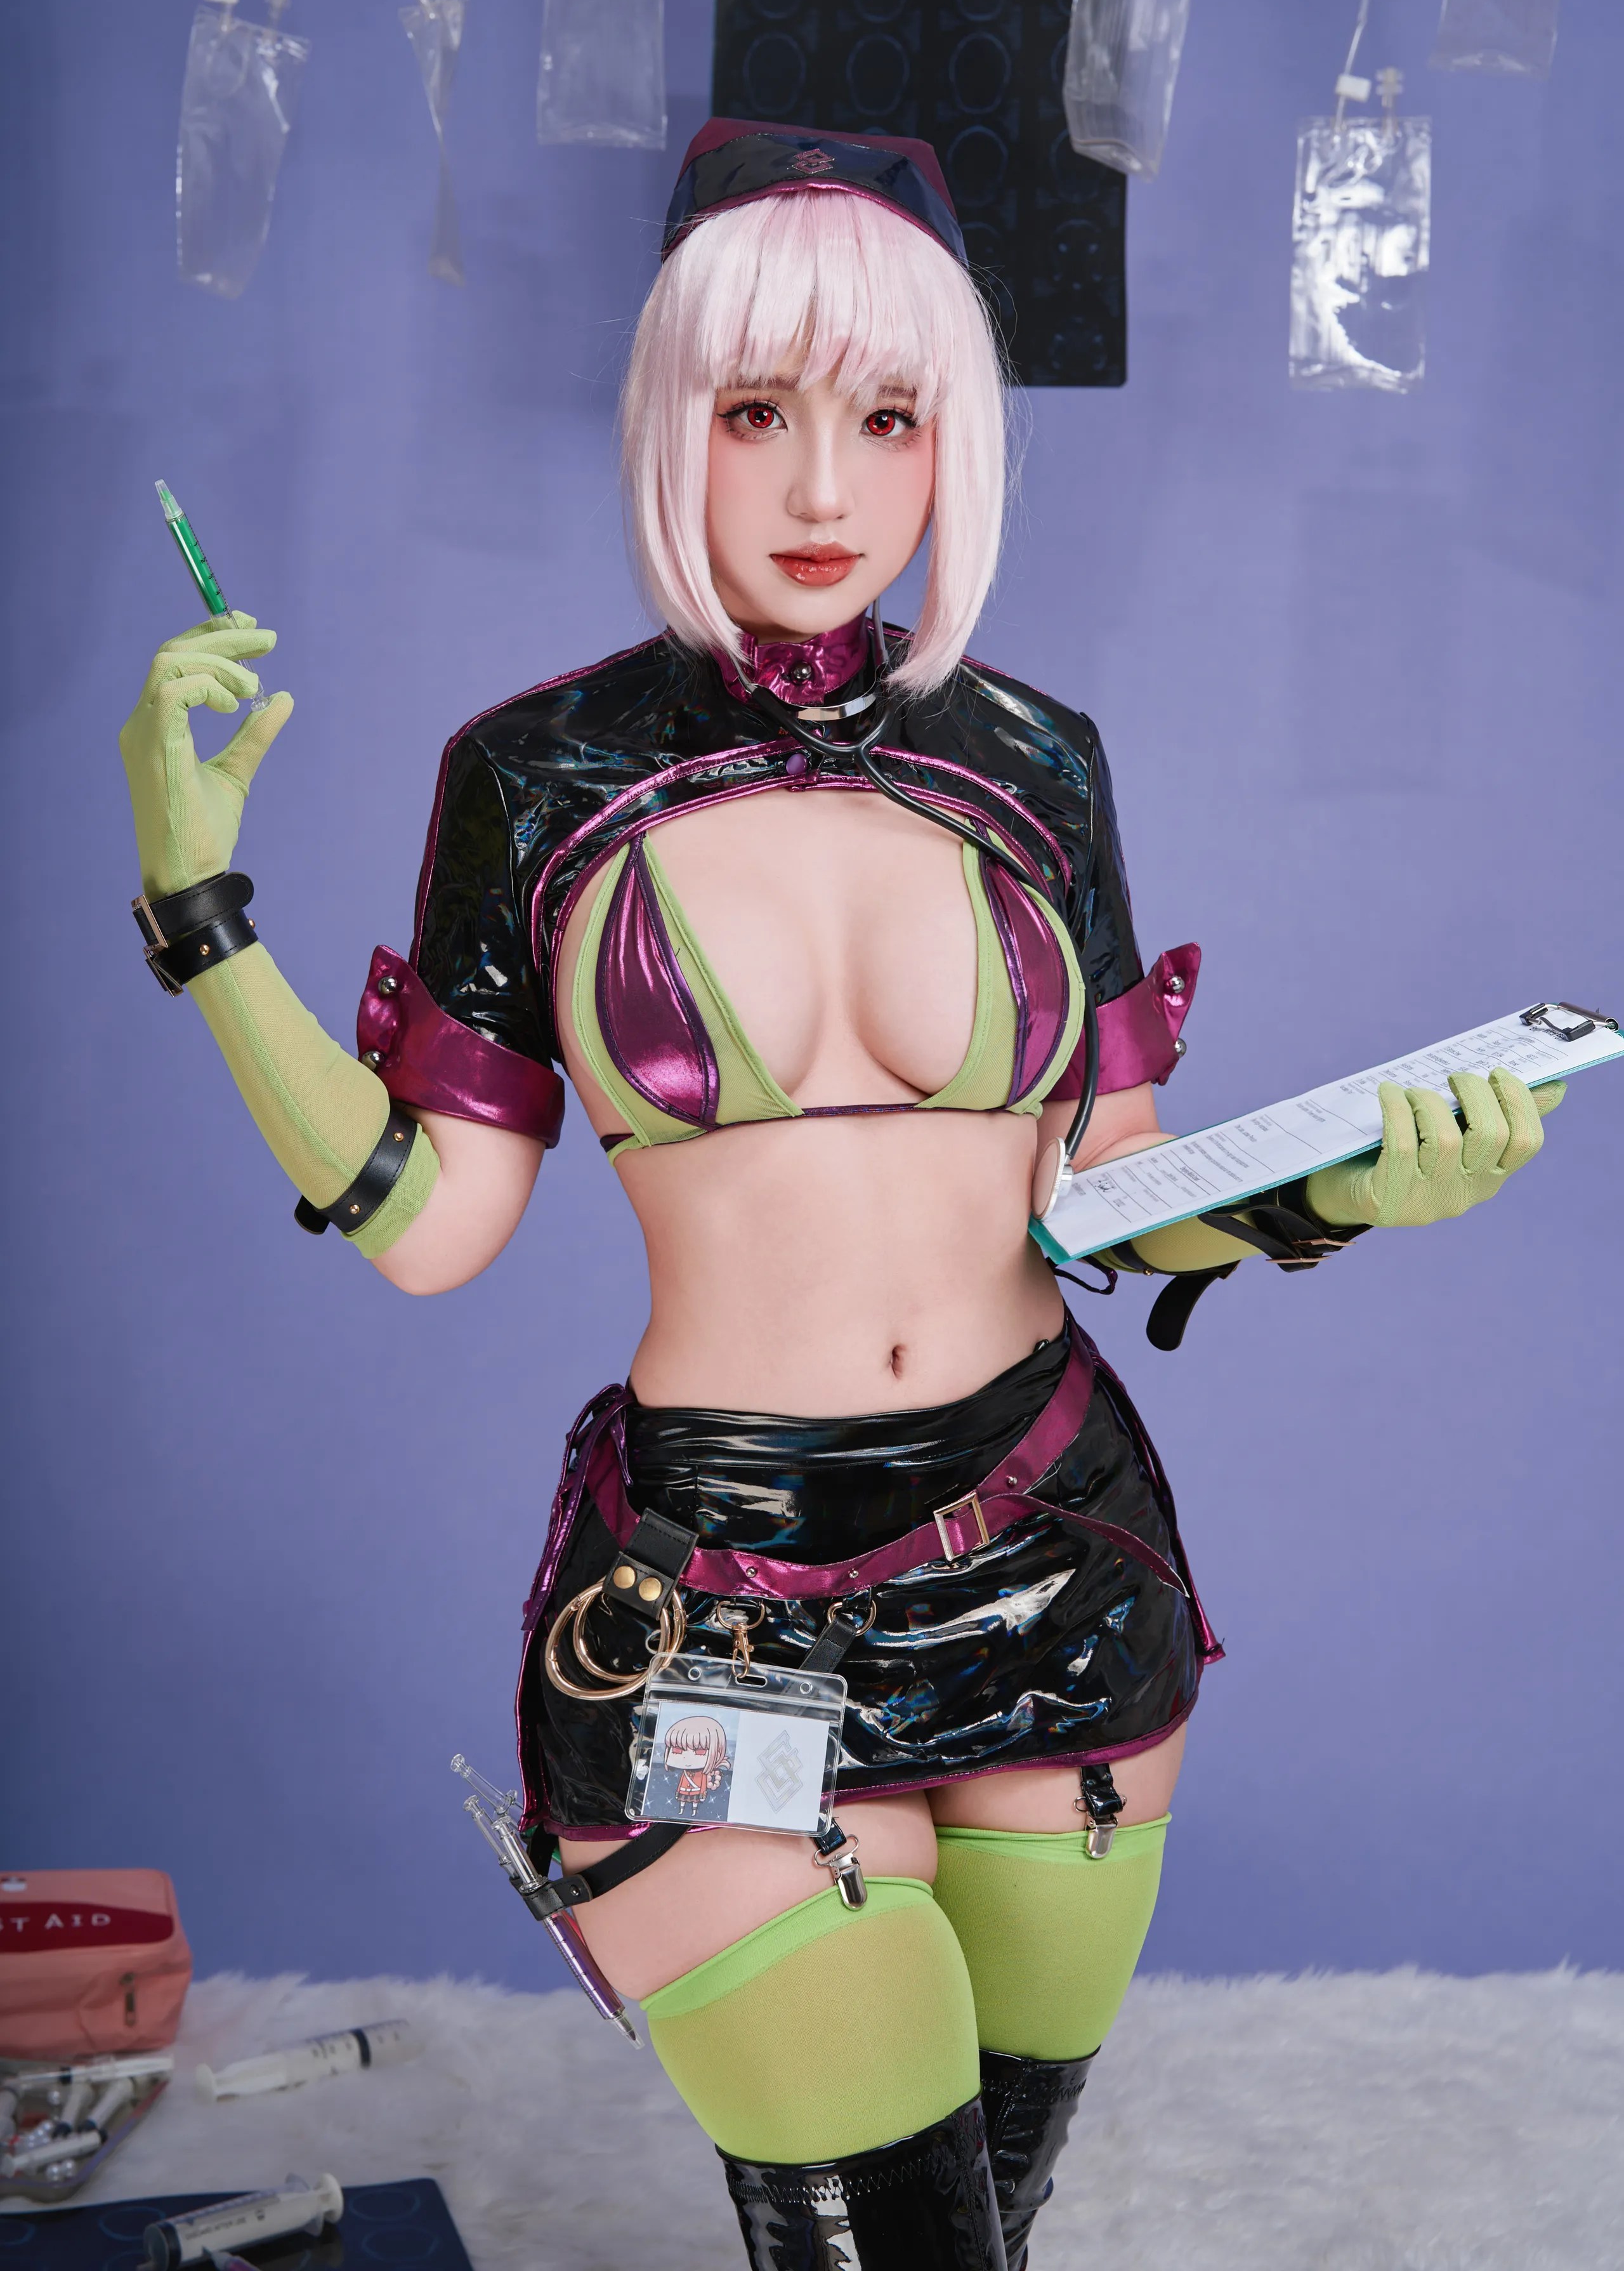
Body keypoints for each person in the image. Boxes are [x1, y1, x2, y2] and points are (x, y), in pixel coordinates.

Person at [119, 122, 1563, 2270]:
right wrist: (202, 910)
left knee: (988, 2219)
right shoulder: (536, 777)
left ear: (955, 437)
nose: (824, 489)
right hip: (717, 1595)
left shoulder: (1039, 758)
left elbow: (1105, 1193)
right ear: (667, 422)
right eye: (756, 414)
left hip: (1057, 1548)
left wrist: (1338, 1194)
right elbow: (433, 1220)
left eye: (889, 419)